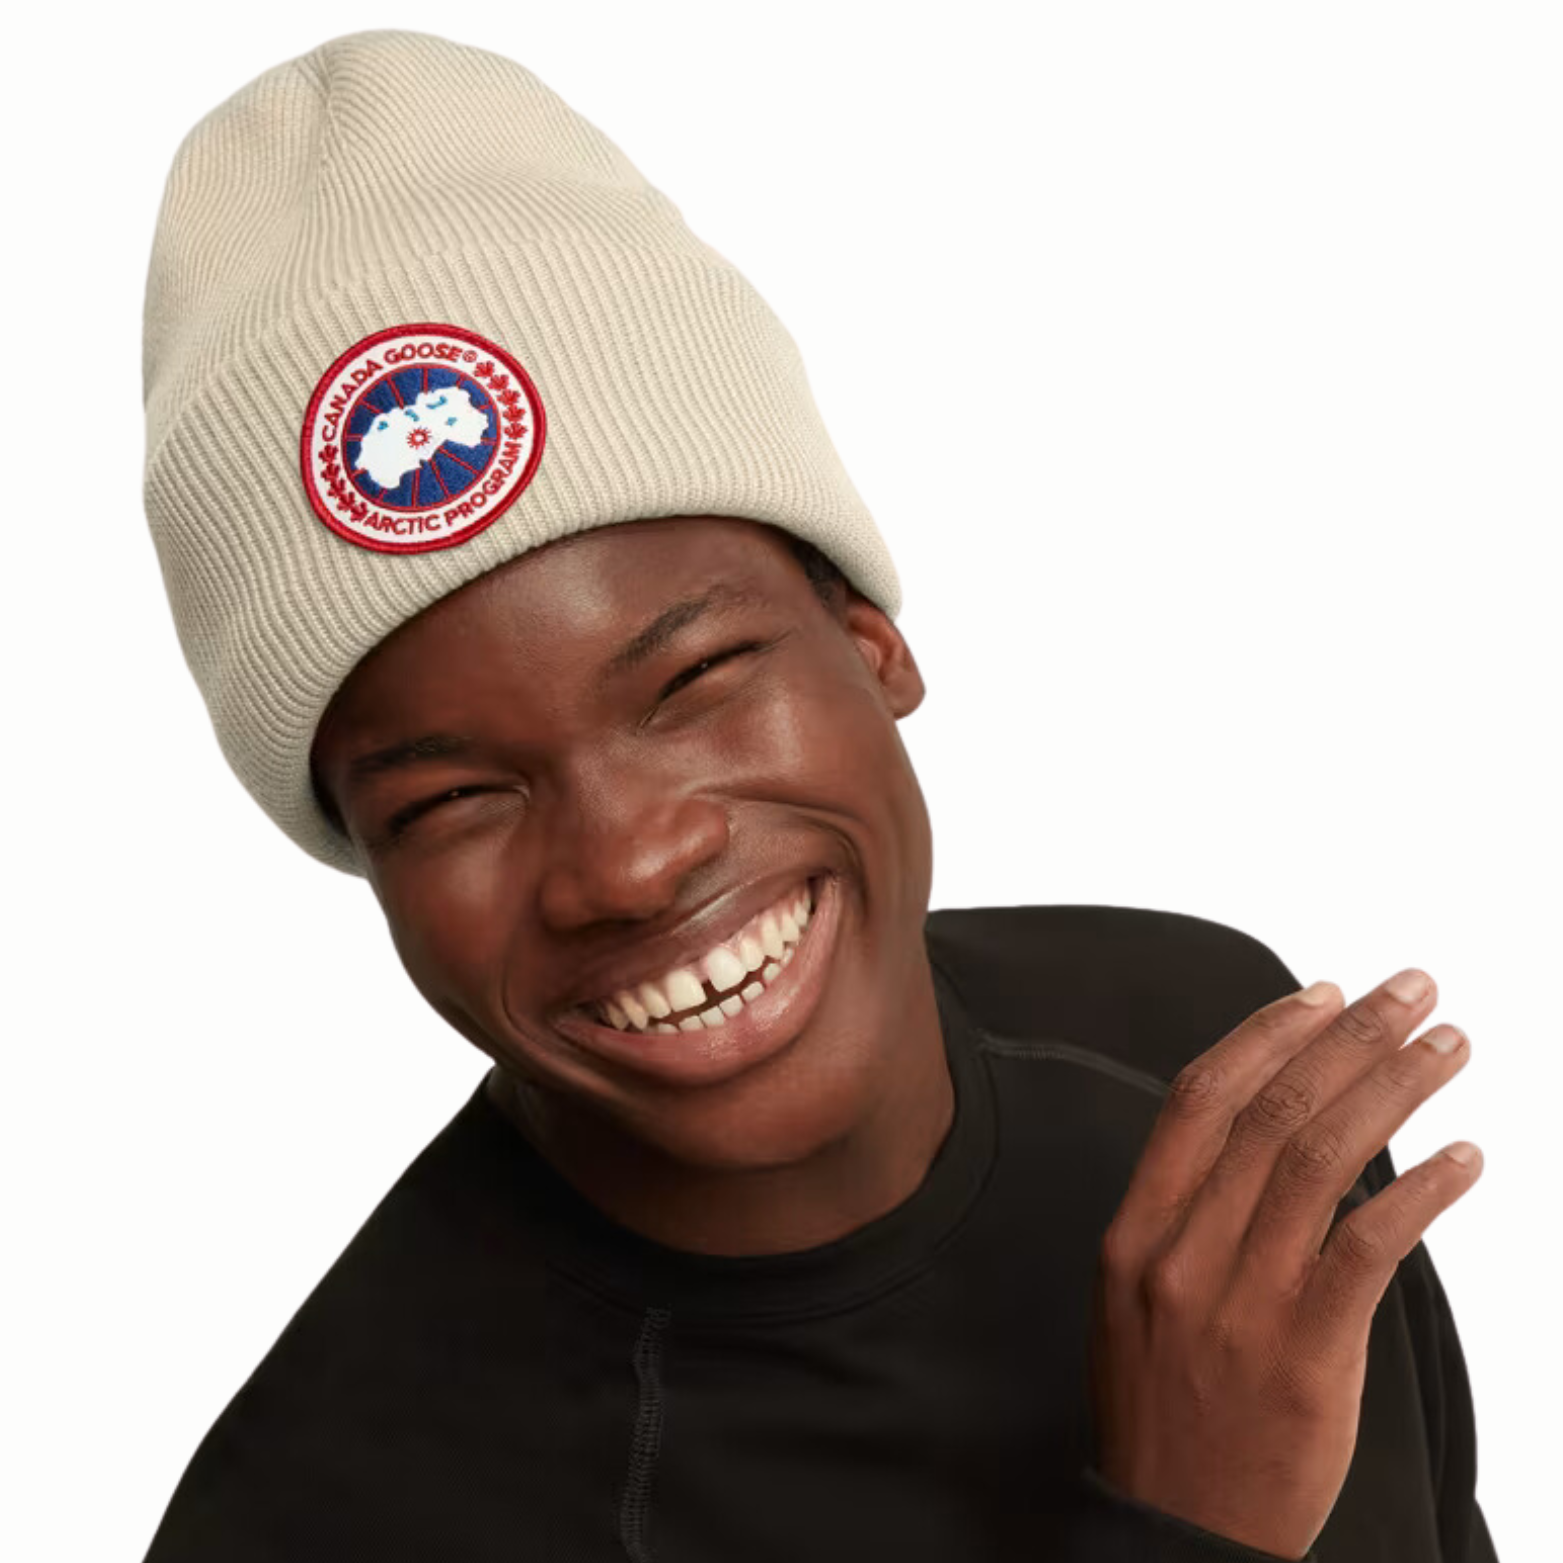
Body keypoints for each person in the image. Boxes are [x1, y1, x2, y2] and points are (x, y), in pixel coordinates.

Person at [138, 28, 1497, 1563]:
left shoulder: (1206, 1069)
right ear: (364, 860)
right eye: (454, 799)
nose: (627, 860)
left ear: (869, 641)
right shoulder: (329, 1516)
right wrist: (1188, 1531)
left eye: (692, 679)